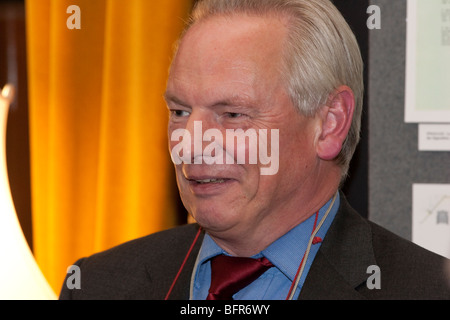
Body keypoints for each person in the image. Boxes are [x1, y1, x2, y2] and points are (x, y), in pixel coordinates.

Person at [59, 0, 450, 300]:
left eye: (232, 114)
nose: (191, 142)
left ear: (329, 123)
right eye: (179, 111)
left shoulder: (426, 291)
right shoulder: (97, 286)